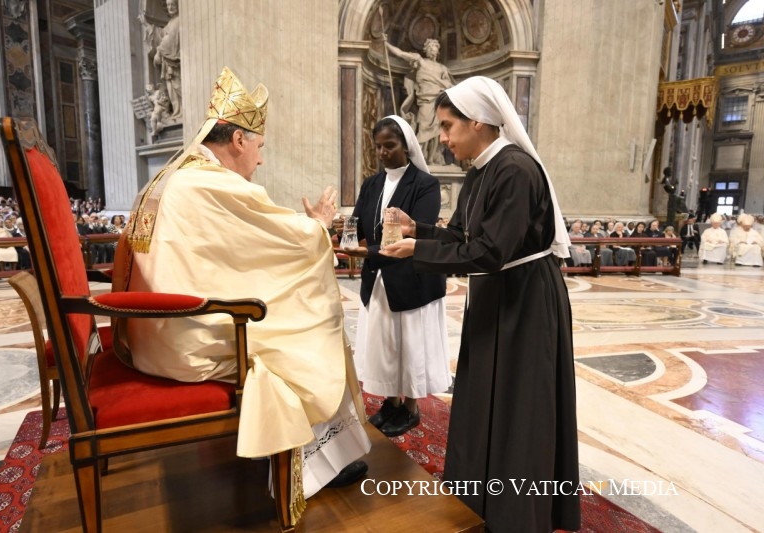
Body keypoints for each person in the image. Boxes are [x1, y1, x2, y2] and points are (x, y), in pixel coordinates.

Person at [113, 67, 371, 505]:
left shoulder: (177, 175)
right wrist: (318, 227)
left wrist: (303, 230)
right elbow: (285, 243)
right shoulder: (211, 184)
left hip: (152, 331)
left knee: (291, 315)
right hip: (184, 340)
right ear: (237, 140)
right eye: (259, 147)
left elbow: (238, 252)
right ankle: (317, 462)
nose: (260, 160)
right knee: (312, 326)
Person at [380, 76, 580, 532]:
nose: (443, 138)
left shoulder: (515, 170)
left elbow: (491, 251)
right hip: (496, 296)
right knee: (486, 398)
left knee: (519, 407)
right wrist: (418, 230)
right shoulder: (479, 171)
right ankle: (482, 500)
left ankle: (518, 514)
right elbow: (462, 235)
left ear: (477, 122)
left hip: (526, 301)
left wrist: (417, 252)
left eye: (448, 126)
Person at [350, 115, 450, 437]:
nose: (382, 152)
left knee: (410, 346)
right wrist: (341, 233)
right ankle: (391, 402)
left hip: (413, 279)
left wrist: (367, 251)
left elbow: (413, 233)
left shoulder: (425, 184)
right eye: (378, 146)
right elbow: (358, 223)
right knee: (386, 345)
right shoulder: (371, 184)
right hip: (379, 278)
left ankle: (411, 408)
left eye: (389, 145)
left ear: (406, 146)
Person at [384, 37, 454, 166]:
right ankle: (417, 159)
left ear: (438, 50)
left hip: (439, 101)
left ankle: (431, 159)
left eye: (434, 47)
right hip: (426, 100)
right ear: (426, 50)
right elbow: (401, 54)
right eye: (430, 47)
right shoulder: (420, 61)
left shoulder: (442, 68)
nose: (432, 49)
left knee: (437, 131)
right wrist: (386, 43)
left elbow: (450, 85)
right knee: (423, 127)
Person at [140, 0, 181, 120]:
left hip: (174, 61)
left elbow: (168, 40)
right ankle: (177, 112)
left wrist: (159, 51)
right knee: (171, 88)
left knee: (177, 86)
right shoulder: (171, 22)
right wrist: (148, 26)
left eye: (173, 5)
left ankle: (180, 112)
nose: (170, 7)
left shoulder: (179, 21)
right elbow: (161, 35)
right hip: (168, 62)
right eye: (168, 5)